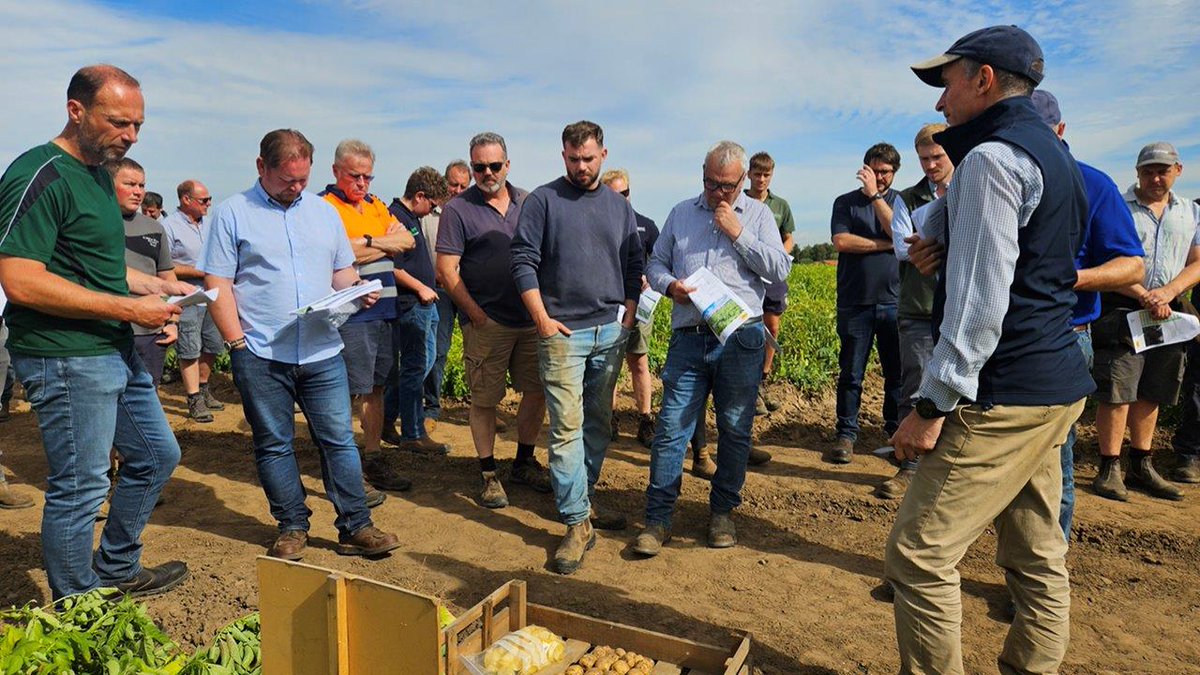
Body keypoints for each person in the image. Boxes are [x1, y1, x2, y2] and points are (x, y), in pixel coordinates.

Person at [887, 26, 1094, 673]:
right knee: (1037, 553)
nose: (941, 105)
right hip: (1058, 386)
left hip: (1003, 393)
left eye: (947, 84)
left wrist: (931, 402)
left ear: (983, 80)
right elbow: (1036, 267)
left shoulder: (990, 160)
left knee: (918, 554)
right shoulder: (1057, 158)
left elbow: (981, 306)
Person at [0, 64, 191, 599]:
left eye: (138, 125)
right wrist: (131, 311)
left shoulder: (98, 176)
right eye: (118, 122)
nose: (129, 135)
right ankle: (77, 606)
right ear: (76, 110)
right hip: (64, 354)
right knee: (81, 487)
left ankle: (115, 569)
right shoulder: (39, 175)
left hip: (110, 346)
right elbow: (20, 280)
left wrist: (152, 288)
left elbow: (96, 264)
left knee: (157, 455)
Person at [201, 128, 400, 561]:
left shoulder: (322, 213)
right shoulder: (233, 213)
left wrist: (357, 289)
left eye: (302, 180)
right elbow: (218, 282)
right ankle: (292, 525)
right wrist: (237, 344)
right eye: (286, 180)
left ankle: (356, 526)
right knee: (274, 443)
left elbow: (340, 272)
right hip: (260, 352)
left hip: (322, 349)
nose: (296, 188)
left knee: (338, 441)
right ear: (261, 168)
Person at [632, 140, 791, 557]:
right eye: (710, 183)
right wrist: (671, 286)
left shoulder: (757, 215)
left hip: (741, 337)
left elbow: (779, 269)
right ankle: (658, 518)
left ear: (742, 181)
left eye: (725, 186)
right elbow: (656, 263)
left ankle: (722, 513)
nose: (717, 192)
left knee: (736, 430)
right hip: (690, 336)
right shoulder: (682, 213)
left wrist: (738, 235)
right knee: (671, 429)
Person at [511, 120, 643, 575]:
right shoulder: (542, 201)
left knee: (599, 422)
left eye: (588, 158)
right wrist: (542, 319)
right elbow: (523, 261)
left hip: (609, 330)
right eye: (573, 159)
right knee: (566, 427)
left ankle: (582, 500)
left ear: (603, 154)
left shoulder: (618, 206)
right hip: (562, 334)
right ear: (562, 156)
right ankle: (575, 522)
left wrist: (628, 307)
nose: (582, 166)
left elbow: (633, 260)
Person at [1031, 91, 1145, 532]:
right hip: (1002, 336)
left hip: (1064, 335)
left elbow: (1131, 264)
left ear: (1060, 131)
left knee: (1054, 455)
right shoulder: (1003, 178)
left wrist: (1072, 277)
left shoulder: (1092, 184)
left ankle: (1048, 566)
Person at [436, 132, 551, 510]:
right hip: (488, 322)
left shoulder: (530, 202)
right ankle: (487, 473)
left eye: (494, 165)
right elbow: (447, 270)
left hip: (530, 321)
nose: (487, 173)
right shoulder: (458, 209)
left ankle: (523, 462)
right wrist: (475, 314)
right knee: (485, 399)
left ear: (508, 165)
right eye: (479, 167)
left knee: (535, 392)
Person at [1091, 141, 1200, 502]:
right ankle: (1109, 467)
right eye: (1148, 171)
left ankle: (1142, 462)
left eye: (1162, 170)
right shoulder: (1119, 207)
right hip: (1122, 307)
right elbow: (1106, 257)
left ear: (1177, 171)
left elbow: (1196, 261)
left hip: (1169, 311)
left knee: (1153, 387)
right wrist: (1144, 294)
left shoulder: (1189, 212)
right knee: (1118, 387)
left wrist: (1168, 292)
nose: (1155, 177)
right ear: (1136, 173)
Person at [319, 139, 416, 501]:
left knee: (376, 387)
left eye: (367, 176)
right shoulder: (324, 206)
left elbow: (407, 240)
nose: (362, 183)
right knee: (346, 390)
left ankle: (372, 457)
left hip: (385, 312)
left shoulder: (376, 205)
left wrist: (366, 242)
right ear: (335, 172)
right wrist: (381, 242)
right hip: (352, 314)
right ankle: (343, 466)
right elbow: (336, 252)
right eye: (354, 176)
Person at [876, 124, 953, 499]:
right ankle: (908, 468)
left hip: (958, 308)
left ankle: (946, 471)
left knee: (960, 390)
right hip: (919, 309)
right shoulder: (908, 197)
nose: (930, 165)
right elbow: (903, 247)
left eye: (937, 157)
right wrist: (943, 247)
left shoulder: (970, 189)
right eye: (924, 159)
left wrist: (931, 245)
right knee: (917, 385)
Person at [828, 143, 905, 463]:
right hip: (855, 301)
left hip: (895, 301)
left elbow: (899, 233)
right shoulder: (844, 202)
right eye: (874, 171)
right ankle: (846, 434)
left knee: (897, 374)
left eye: (885, 172)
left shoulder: (903, 201)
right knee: (851, 373)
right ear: (864, 170)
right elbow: (842, 241)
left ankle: (894, 432)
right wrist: (887, 244)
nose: (879, 178)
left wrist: (876, 198)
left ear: (894, 173)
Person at [383, 167, 452, 455]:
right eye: (432, 204)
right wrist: (421, 288)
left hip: (424, 303)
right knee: (414, 368)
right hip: (411, 304)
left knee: (422, 363)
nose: (432, 210)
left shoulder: (411, 217)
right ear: (420, 195)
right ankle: (413, 433)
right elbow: (392, 267)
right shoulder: (396, 217)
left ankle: (387, 421)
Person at [601, 168, 659, 448]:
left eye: (624, 193)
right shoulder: (598, 224)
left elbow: (663, 260)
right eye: (614, 195)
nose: (621, 199)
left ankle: (645, 420)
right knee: (609, 365)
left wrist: (650, 276)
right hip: (608, 305)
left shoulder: (646, 226)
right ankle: (608, 418)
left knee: (639, 361)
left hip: (641, 304)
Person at [110, 157, 179, 385]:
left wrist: (173, 322)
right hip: (108, 331)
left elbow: (167, 276)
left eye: (142, 185)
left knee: (147, 395)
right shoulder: (92, 224)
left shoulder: (154, 228)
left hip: (150, 333)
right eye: (130, 184)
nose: (138, 192)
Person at [162, 179, 225, 422]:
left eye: (210, 199)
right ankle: (194, 398)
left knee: (212, 345)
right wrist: (201, 272)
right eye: (204, 200)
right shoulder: (169, 226)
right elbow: (165, 267)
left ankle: (204, 386)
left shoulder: (209, 224)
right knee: (188, 348)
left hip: (212, 295)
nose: (209, 204)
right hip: (186, 297)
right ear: (185, 200)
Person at [744, 151, 795, 414]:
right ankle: (746, 387)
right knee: (744, 325)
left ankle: (762, 379)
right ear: (749, 174)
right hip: (745, 274)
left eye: (766, 175)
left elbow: (789, 238)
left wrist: (778, 257)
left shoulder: (780, 205)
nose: (761, 179)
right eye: (757, 174)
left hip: (771, 275)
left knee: (771, 327)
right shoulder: (738, 200)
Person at [422, 160, 472, 430]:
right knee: (438, 350)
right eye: (453, 184)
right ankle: (432, 407)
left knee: (477, 350)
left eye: (464, 186)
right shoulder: (428, 215)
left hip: (468, 290)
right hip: (439, 291)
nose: (458, 190)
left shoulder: (472, 212)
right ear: (444, 182)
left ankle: (481, 408)